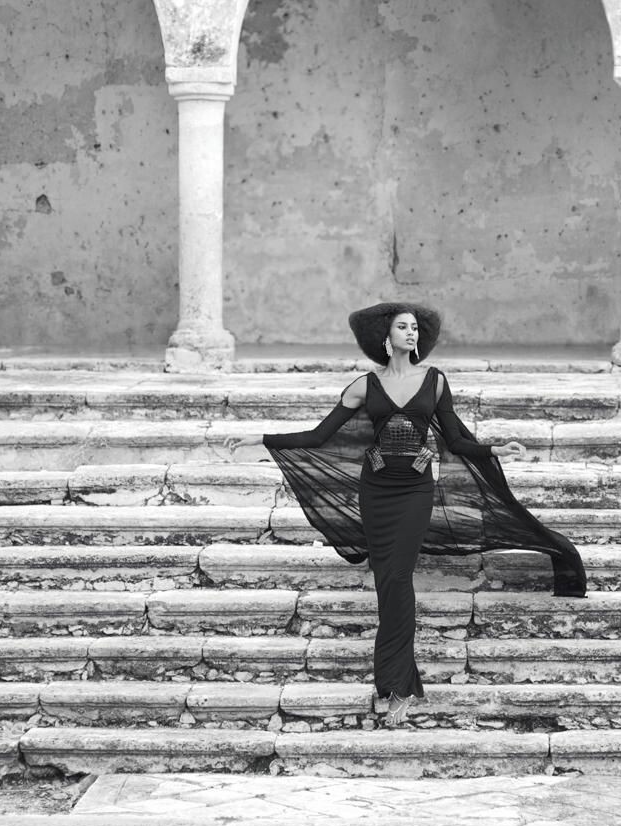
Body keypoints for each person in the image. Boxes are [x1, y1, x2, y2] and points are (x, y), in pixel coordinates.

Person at [223, 302, 587, 727]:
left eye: (415, 328)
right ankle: (398, 682)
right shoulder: (364, 386)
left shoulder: (434, 382)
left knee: (398, 578)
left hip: (415, 490)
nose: (411, 333)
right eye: (403, 327)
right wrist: (261, 438)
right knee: (387, 584)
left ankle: (398, 686)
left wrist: (495, 448)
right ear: (386, 336)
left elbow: (456, 440)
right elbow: (319, 436)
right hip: (375, 492)